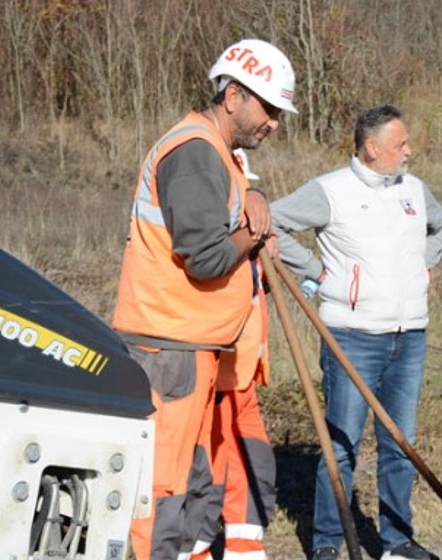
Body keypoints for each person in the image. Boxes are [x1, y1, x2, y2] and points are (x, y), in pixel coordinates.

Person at [110, 38, 296, 560]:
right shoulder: (193, 152)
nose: (274, 123)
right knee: (162, 488)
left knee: (190, 482)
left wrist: (253, 202)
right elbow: (207, 258)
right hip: (169, 348)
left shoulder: (217, 154)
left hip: (190, 346)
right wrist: (252, 237)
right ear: (233, 95)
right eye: (269, 108)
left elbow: (229, 219)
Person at [270, 104, 442, 560]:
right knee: (342, 446)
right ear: (372, 149)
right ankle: (329, 543)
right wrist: (318, 274)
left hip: (409, 337)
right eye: (400, 144)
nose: (409, 151)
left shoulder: (414, 189)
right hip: (351, 337)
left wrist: (424, 265)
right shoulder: (331, 191)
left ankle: (396, 542)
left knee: (400, 445)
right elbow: (271, 221)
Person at [191, 149, 277, 560]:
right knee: (209, 462)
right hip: (214, 366)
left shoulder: (246, 223)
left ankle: (245, 547)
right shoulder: (214, 220)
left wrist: (263, 254)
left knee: (253, 456)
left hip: (241, 369)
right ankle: (194, 550)